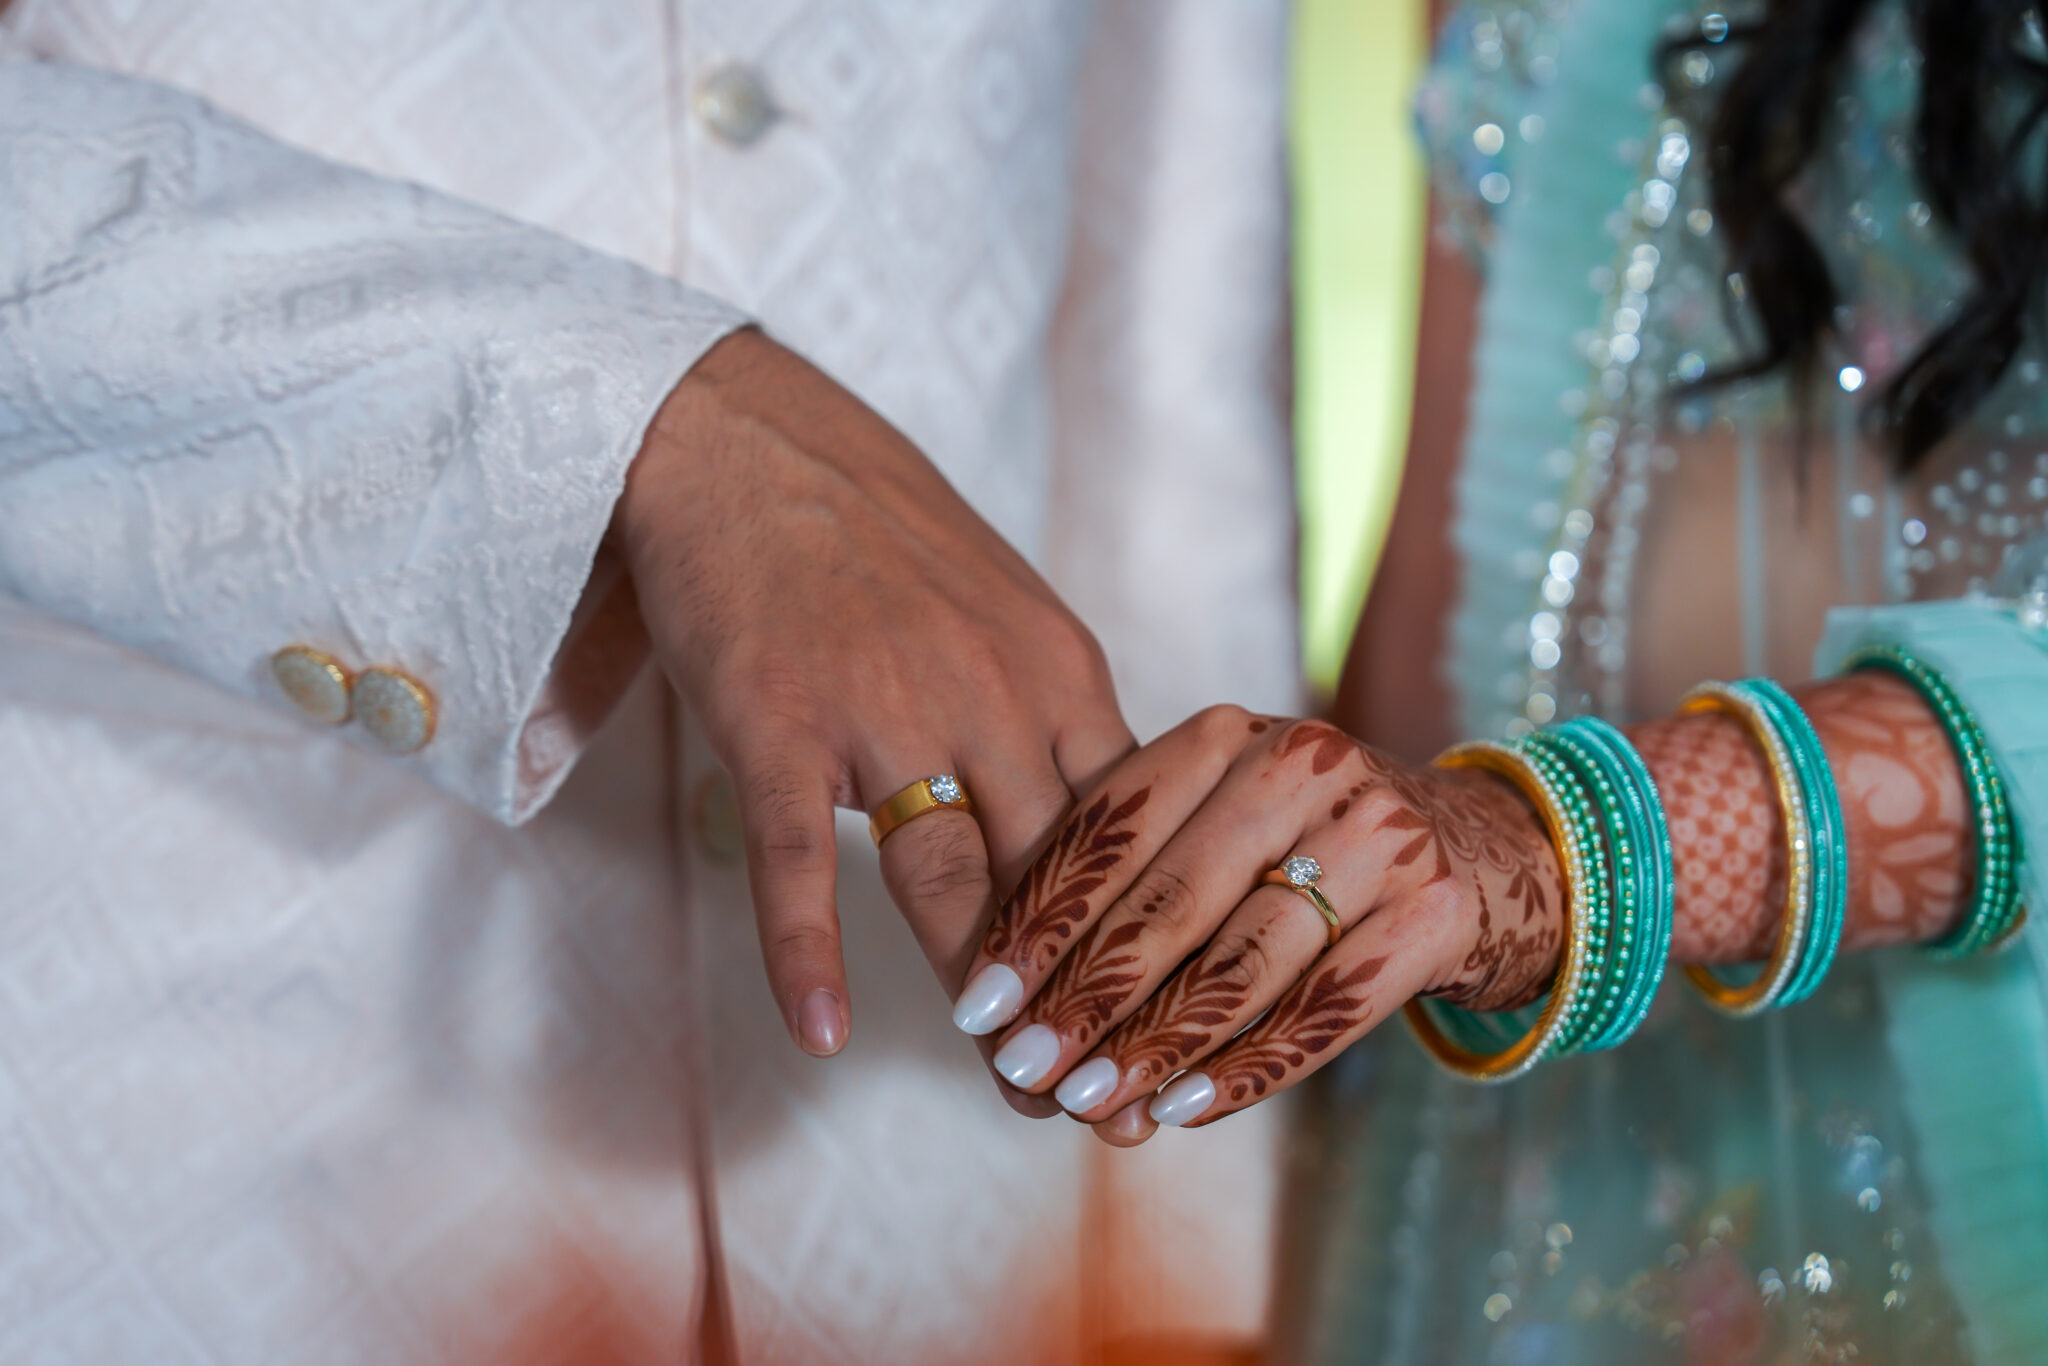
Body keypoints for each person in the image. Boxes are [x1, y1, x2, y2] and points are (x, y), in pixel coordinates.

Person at [0, 4, 1300, 1362]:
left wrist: (1188, 1250)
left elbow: (1176, 376)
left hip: (938, 1190)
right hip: (182, 1138)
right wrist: (649, 421)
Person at [953, 2, 2048, 1364]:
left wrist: (1561, 854)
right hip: (1517, 1157)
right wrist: (1288, 959)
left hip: (1969, 1154)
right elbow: (1458, 584)